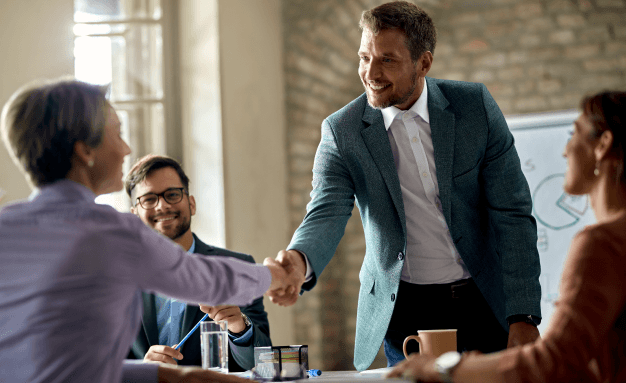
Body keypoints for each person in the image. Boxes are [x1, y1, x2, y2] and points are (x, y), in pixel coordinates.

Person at [267, 0, 542, 370]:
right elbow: (326, 210)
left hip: (484, 300)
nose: (370, 72)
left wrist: (523, 314)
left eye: (387, 60)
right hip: (404, 311)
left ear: (424, 63)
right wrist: (298, 262)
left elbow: (512, 214)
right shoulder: (342, 130)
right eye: (364, 57)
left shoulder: (474, 107)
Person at [0, 78, 294, 383]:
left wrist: (172, 376)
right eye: (117, 134)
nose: (126, 149)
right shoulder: (109, 231)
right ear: (85, 151)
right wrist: (279, 276)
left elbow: (64, 368)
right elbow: (206, 279)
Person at [387, 90, 626, 383]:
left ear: (603, 144)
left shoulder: (602, 244)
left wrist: (441, 369)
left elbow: (555, 361)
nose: (565, 150)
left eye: (574, 134)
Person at [124, 154, 272, 371]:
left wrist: (238, 327)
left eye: (172, 194)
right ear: (135, 215)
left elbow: (263, 363)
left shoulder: (239, 267)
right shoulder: (117, 279)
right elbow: (100, 364)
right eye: (149, 199)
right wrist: (142, 372)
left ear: (191, 204)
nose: (162, 206)